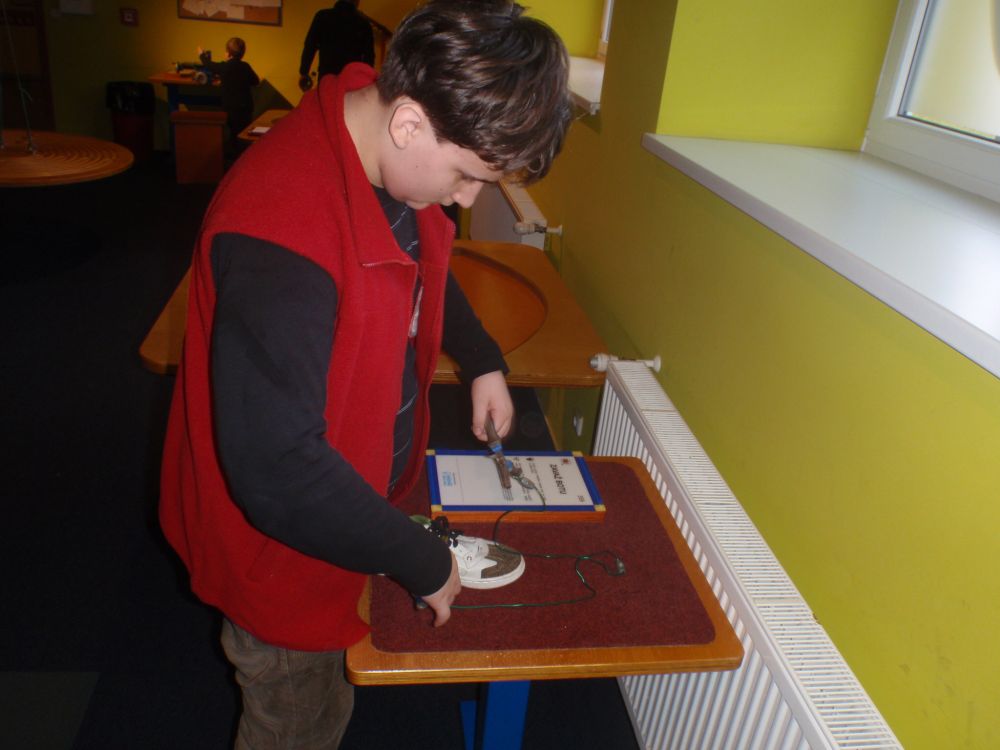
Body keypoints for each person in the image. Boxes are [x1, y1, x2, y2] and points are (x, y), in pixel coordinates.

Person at [160, 1, 572, 747]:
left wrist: (482, 359)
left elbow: (427, 260)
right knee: (302, 716)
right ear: (409, 123)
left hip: (346, 500)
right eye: (467, 175)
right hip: (282, 551)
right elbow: (277, 471)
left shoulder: (381, 141)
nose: (466, 198)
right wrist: (419, 559)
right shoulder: (280, 233)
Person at [197, 38, 259, 153]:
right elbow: (256, 81)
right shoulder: (246, 66)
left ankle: (234, 155)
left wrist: (201, 55)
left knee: (234, 134)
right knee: (244, 135)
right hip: (246, 108)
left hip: (231, 109)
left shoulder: (224, 67)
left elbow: (209, 65)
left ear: (228, 53)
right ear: (243, 53)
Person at [298, 0, 375, 92]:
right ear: (357, 1)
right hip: (351, 79)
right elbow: (369, 56)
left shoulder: (322, 16)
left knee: (326, 99)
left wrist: (304, 71)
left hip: (326, 75)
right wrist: (365, 81)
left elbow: (310, 45)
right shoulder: (364, 24)